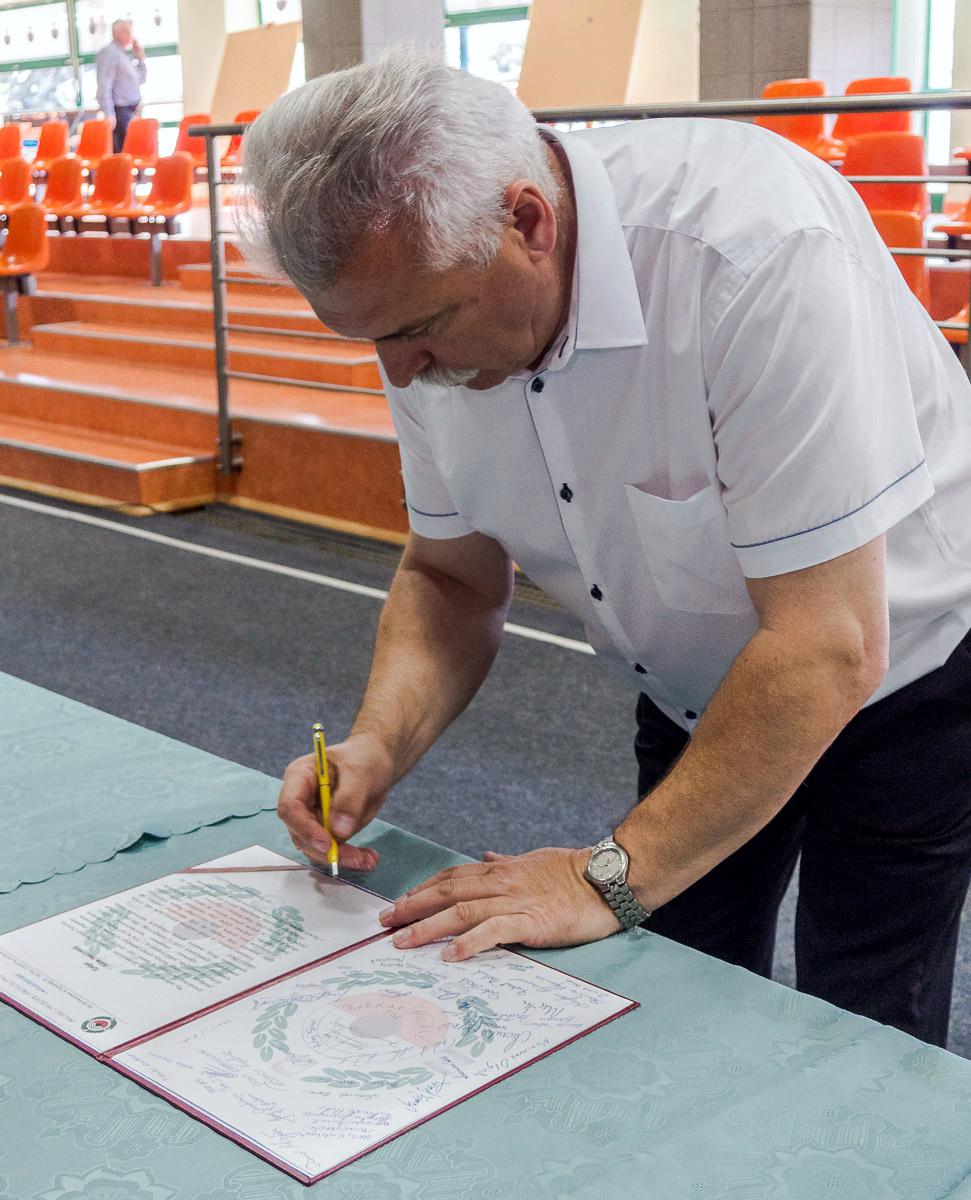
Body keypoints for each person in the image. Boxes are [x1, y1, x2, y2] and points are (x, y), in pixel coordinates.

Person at [241, 50, 971, 1048]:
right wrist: (378, 743)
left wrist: (601, 877)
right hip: (692, 681)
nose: (402, 373)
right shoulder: (420, 297)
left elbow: (825, 646)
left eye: (417, 329)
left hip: (905, 674)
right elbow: (450, 578)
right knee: (672, 985)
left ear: (527, 223)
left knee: (859, 1027)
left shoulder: (752, 248)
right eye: (370, 340)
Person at [95, 18, 146, 153]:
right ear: (116, 33)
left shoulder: (124, 55)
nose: (131, 36)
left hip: (131, 110)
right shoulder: (109, 52)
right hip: (119, 113)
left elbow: (141, 80)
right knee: (122, 154)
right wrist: (109, 113)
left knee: (132, 153)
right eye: (127, 32)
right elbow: (104, 84)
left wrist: (140, 58)